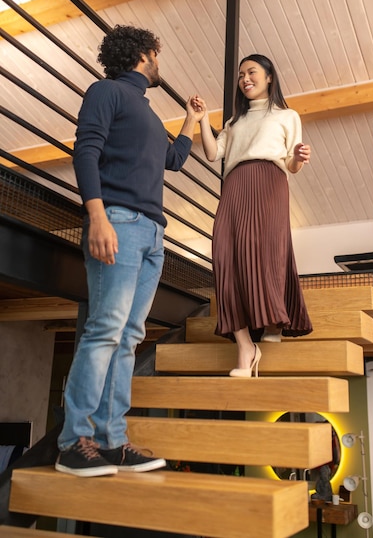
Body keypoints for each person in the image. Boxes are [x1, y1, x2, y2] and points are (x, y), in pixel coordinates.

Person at [56, 25, 206, 477]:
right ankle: (72, 442)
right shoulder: (106, 92)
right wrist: (97, 217)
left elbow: (173, 161)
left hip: (153, 234)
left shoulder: (146, 114)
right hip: (117, 222)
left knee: (127, 339)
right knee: (105, 331)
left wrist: (191, 122)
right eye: (157, 54)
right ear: (145, 54)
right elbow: (85, 152)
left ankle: (112, 442)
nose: (160, 62)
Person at [199, 53, 313, 377]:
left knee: (266, 254)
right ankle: (246, 344)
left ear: (269, 78)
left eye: (251, 72)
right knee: (223, 255)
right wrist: (202, 118)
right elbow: (212, 153)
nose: (245, 79)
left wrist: (301, 158)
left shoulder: (287, 116)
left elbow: (292, 163)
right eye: (241, 75)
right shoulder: (234, 123)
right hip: (235, 184)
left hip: (270, 182)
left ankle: (274, 319)